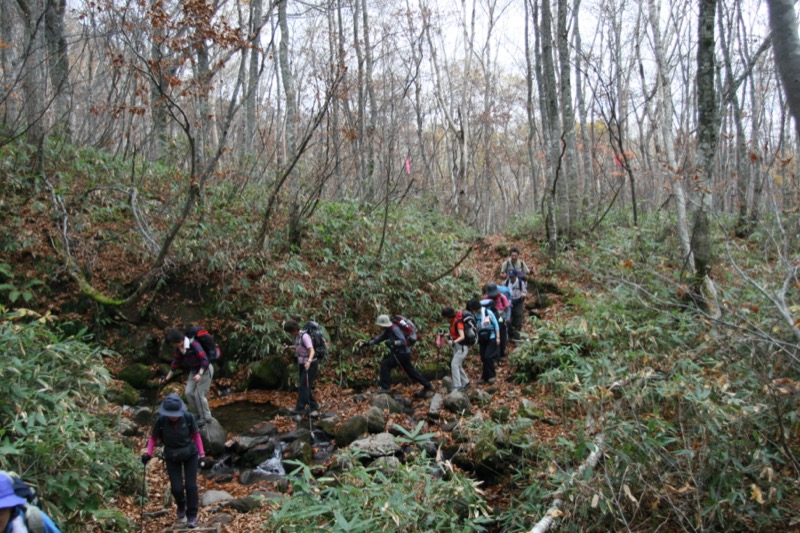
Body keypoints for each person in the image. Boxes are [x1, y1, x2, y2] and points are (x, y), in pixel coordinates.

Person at [141, 393, 205, 529]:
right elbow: (153, 438)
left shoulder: (188, 417)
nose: (174, 416)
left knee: (191, 486)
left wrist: (202, 454)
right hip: (171, 455)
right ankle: (181, 504)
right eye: (171, 414)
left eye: (176, 413)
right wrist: (148, 454)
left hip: (190, 454)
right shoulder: (161, 421)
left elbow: (196, 435)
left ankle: (192, 515)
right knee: (176, 488)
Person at [362, 314, 433, 397]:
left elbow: (403, 342)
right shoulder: (388, 330)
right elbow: (379, 339)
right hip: (403, 353)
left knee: (385, 365)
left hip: (403, 353)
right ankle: (427, 385)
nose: (380, 327)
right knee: (411, 372)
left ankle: (385, 388)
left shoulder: (395, 329)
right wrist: (367, 344)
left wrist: (393, 343)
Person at [163, 328, 214, 427]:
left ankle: (206, 417)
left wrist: (200, 374)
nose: (172, 346)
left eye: (172, 343)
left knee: (198, 395)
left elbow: (204, 360)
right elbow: (175, 364)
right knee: (188, 392)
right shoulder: (179, 349)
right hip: (194, 370)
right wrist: (166, 379)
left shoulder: (194, 344)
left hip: (205, 369)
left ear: (177, 340)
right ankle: (197, 414)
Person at [284, 320, 320, 416]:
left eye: (290, 331)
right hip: (302, 364)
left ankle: (299, 408)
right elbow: (298, 347)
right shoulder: (297, 337)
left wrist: (308, 362)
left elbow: (311, 350)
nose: (290, 334)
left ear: (294, 330)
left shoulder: (305, 337)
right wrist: (288, 347)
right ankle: (314, 405)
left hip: (310, 364)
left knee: (303, 386)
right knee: (305, 386)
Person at [468, 299, 500, 385]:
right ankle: (485, 377)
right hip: (482, 338)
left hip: (491, 337)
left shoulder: (487, 312)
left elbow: (496, 324)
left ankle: (492, 376)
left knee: (488, 357)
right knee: (483, 357)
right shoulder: (474, 315)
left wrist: (498, 337)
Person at [441, 307, 471, 391]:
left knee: (454, 365)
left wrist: (453, 342)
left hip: (462, 347)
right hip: (458, 347)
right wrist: (445, 334)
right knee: (458, 365)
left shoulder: (458, 322)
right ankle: (466, 382)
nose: (445, 319)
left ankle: (457, 386)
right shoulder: (453, 321)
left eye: (445, 317)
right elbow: (454, 333)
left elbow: (462, 336)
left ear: (448, 316)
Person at [484, 283, 511, 360]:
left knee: (502, 337)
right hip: (491, 319)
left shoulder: (502, 297)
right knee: (493, 338)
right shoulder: (486, 299)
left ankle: (501, 354)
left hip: (501, 318)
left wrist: (508, 318)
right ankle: (495, 356)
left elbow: (507, 309)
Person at [504, 268, 528, 340]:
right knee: (508, 319)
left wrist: (523, 295)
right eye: (510, 276)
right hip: (508, 303)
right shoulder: (506, 282)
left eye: (512, 276)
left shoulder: (520, 283)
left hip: (518, 302)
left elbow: (525, 292)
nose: (511, 278)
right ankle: (510, 334)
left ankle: (517, 337)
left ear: (516, 276)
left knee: (518, 318)